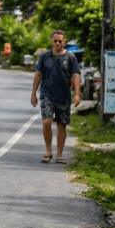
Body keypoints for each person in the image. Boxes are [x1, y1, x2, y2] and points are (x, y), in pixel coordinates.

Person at [31, 29, 81, 164]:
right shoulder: (44, 56)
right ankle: (48, 151)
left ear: (64, 42)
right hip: (47, 94)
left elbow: (75, 75)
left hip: (64, 96)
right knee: (46, 121)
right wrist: (33, 94)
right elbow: (38, 75)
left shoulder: (70, 58)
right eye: (55, 41)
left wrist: (77, 94)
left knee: (61, 125)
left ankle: (59, 154)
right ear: (51, 41)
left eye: (60, 41)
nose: (58, 43)